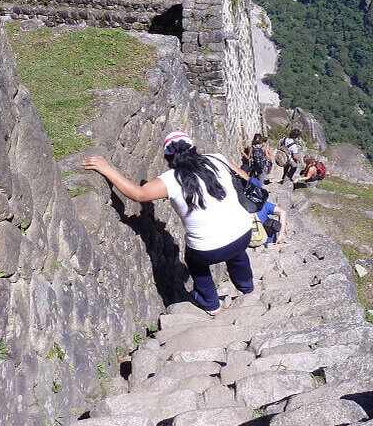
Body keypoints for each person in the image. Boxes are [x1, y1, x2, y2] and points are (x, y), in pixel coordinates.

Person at [82, 131, 253, 316]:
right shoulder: (216, 159)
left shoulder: (171, 180)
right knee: (237, 252)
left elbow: (138, 194)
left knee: (194, 262)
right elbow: (244, 177)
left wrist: (106, 168)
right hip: (244, 233)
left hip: (208, 250)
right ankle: (248, 290)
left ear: (168, 156)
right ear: (192, 147)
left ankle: (212, 305)